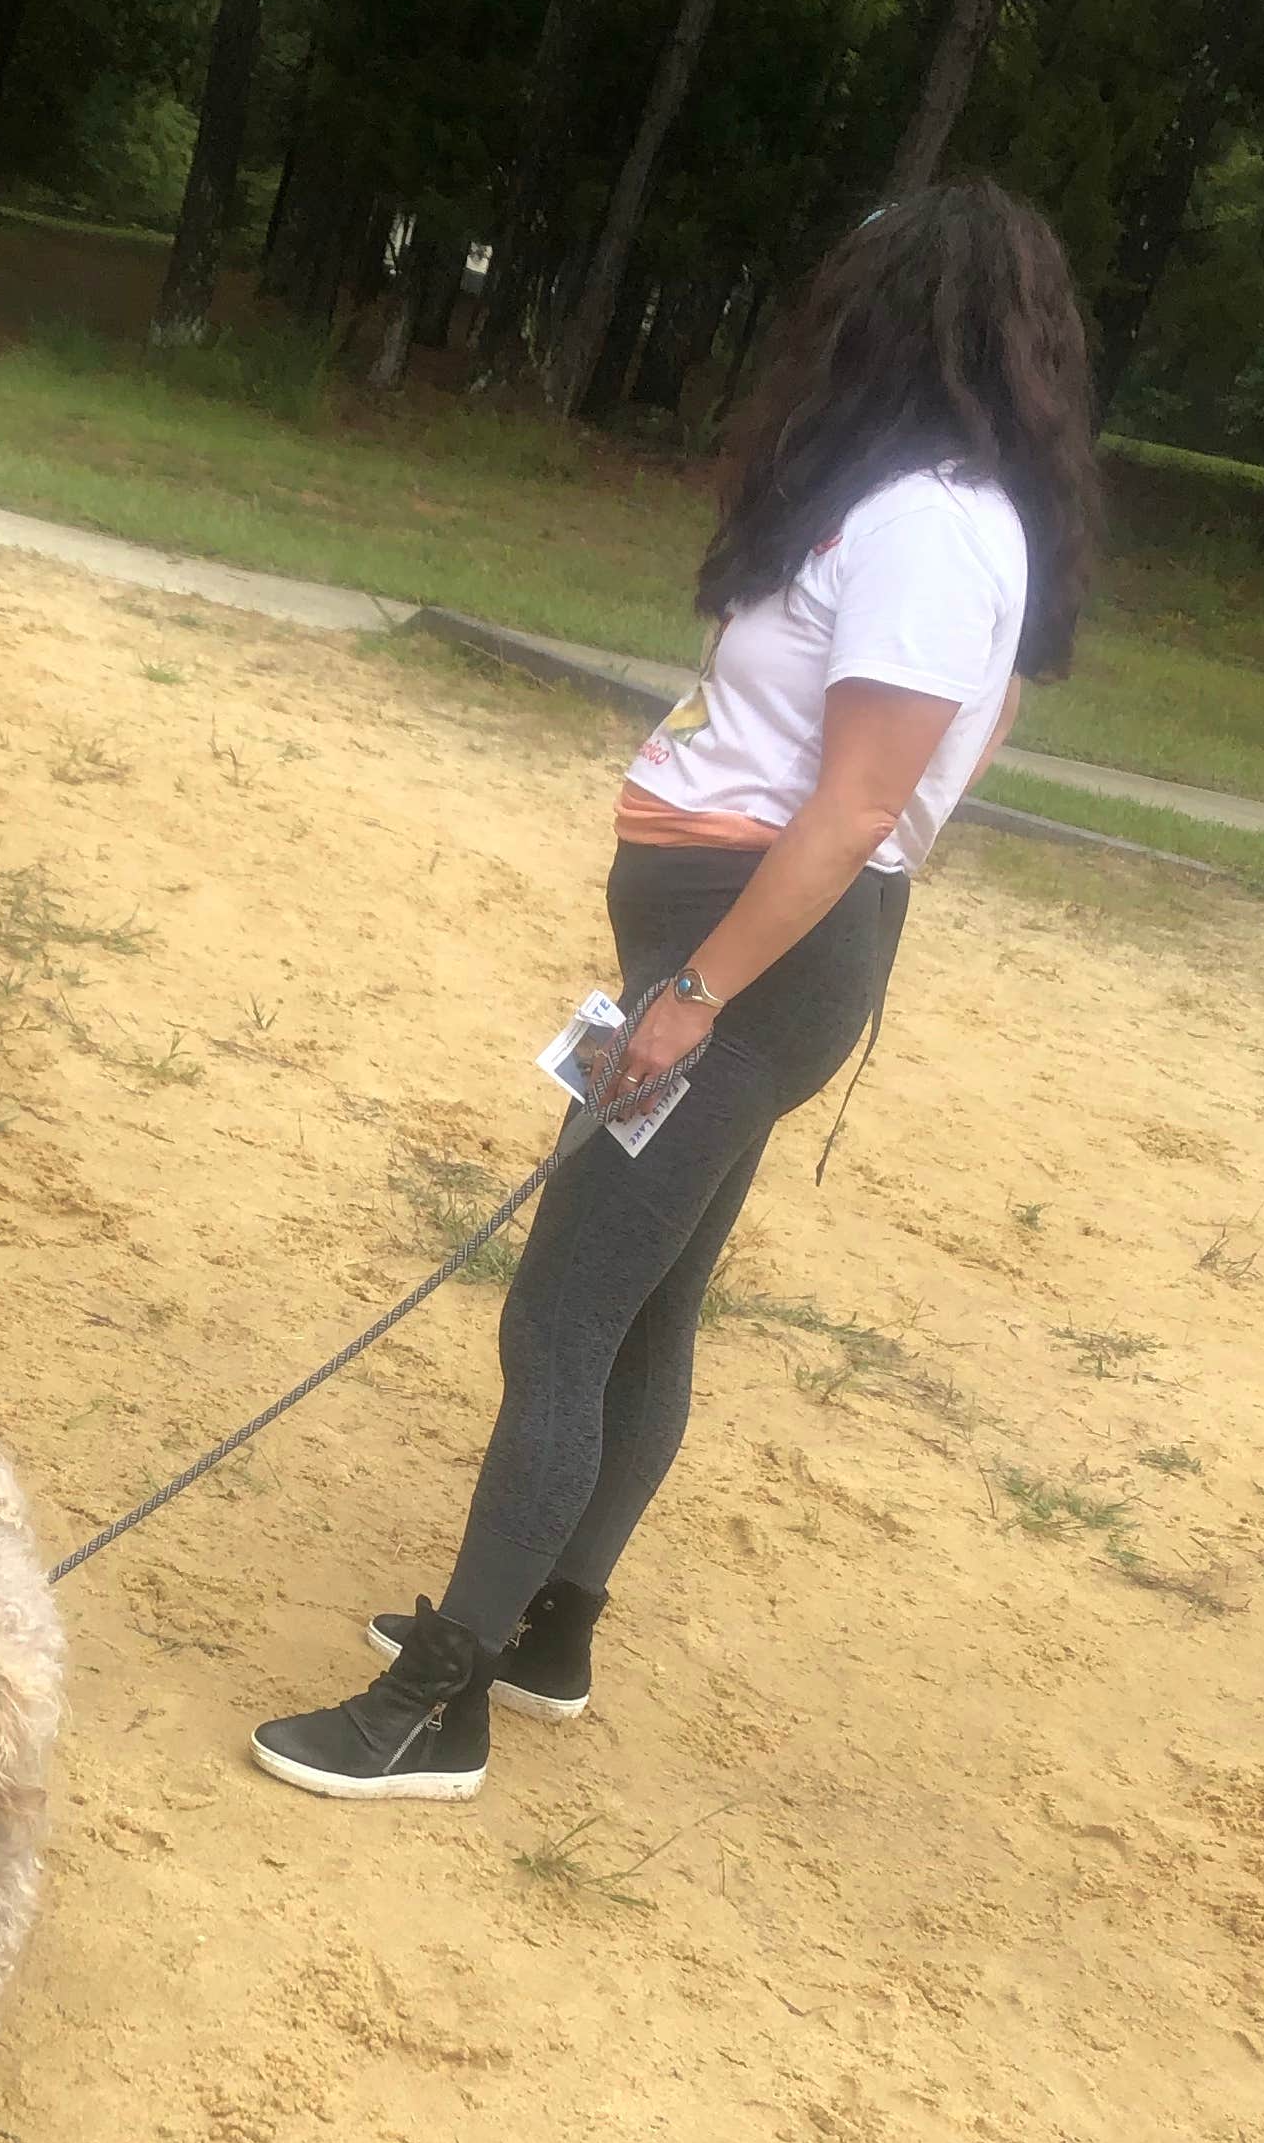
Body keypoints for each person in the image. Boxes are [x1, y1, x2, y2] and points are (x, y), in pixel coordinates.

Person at [250, 181, 1100, 1802]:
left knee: (560, 1309)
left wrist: (696, 988)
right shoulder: (956, 516)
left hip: (750, 951)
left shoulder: (928, 518)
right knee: (647, 1299)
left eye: (854, 293)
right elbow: (944, 764)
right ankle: (549, 1626)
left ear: (907, 320)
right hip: (756, 942)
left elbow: (857, 806)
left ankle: (442, 1701)